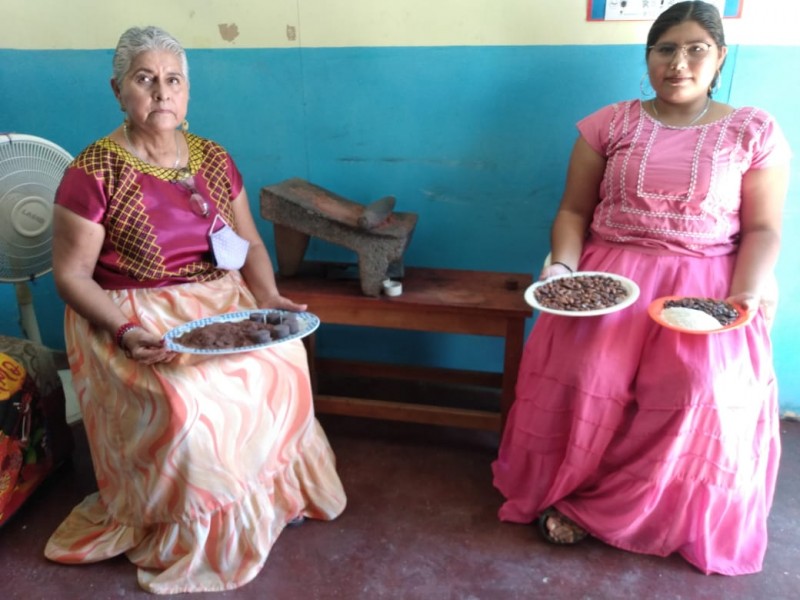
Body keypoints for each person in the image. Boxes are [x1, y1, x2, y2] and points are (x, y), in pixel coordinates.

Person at [44, 26, 346, 594]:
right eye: (145, 79)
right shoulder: (92, 173)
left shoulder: (212, 156)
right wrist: (127, 330)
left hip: (219, 300)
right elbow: (70, 277)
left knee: (283, 365)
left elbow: (250, 244)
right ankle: (197, 532)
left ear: (188, 93)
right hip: (131, 314)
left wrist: (270, 299)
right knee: (191, 407)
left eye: (173, 80)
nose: (161, 92)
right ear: (118, 90)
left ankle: (272, 499)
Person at [492, 1, 790, 576]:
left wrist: (747, 295)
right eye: (665, 49)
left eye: (696, 48)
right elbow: (574, 212)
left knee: (692, 387)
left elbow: (762, 228)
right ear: (648, 57)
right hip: (607, 282)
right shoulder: (610, 123)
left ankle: (657, 511)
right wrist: (561, 268)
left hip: (706, 287)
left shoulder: (753, 130)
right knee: (589, 376)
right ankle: (577, 495)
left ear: (720, 57)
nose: (679, 62)